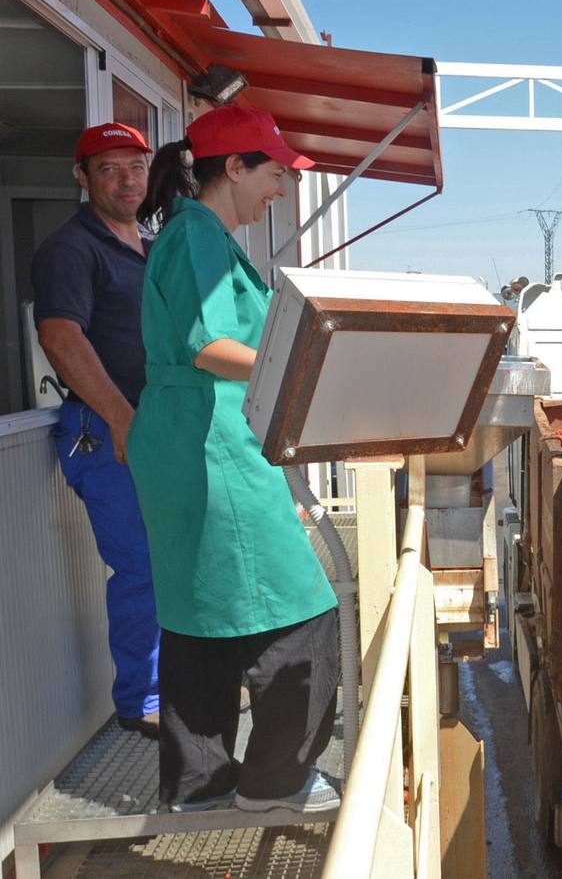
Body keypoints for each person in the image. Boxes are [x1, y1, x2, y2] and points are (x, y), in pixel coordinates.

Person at [130, 104, 339, 813]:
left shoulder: (201, 235)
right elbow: (208, 343)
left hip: (191, 443)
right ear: (235, 167)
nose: (281, 189)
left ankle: (198, 785)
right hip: (209, 445)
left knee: (199, 613)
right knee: (299, 612)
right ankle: (276, 781)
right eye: (275, 172)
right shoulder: (196, 235)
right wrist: (310, 371)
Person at [30, 123, 160, 738]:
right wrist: (121, 417)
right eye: (108, 169)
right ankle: (144, 700)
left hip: (157, 430)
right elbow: (60, 336)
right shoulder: (71, 248)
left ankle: (183, 680)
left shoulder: (152, 246)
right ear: (82, 179)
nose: (126, 180)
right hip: (107, 431)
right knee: (143, 567)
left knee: (178, 560)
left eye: (135, 166)